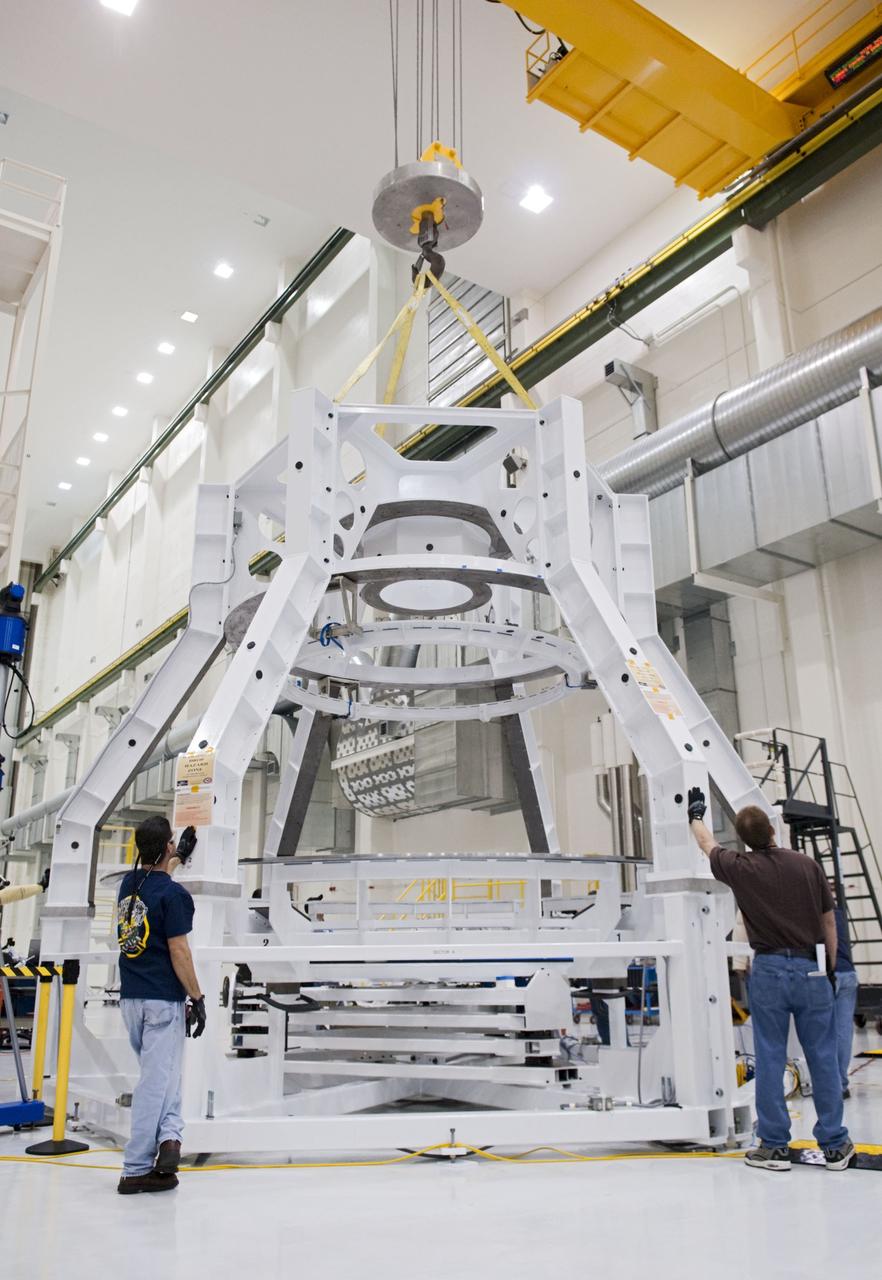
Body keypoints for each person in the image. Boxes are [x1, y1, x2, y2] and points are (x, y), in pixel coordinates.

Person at [687, 789, 854, 1172]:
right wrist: (828, 967)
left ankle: (775, 1147)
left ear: (745, 839)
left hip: (770, 971)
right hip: (812, 967)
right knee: (823, 1057)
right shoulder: (807, 866)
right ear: (773, 831)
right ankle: (834, 1145)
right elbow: (829, 921)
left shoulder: (740, 867)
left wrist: (696, 813)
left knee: (770, 1054)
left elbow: (706, 842)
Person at [116, 816, 206, 1196]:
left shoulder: (128, 885)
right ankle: (136, 1168)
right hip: (162, 1002)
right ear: (167, 845)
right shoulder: (175, 897)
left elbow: (156, 879)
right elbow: (179, 951)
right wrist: (198, 997)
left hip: (130, 999)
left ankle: (170, 1142)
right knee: (156, 1084)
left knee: (163, 1076)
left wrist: (177, 857)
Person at [831, 900, 858, 1098]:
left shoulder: (811, 911)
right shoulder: (838, 912)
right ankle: (841, 1084)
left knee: (822, 1033)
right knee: (843, 1031)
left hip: (829, 974)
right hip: (849, 973)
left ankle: (829, 1084)